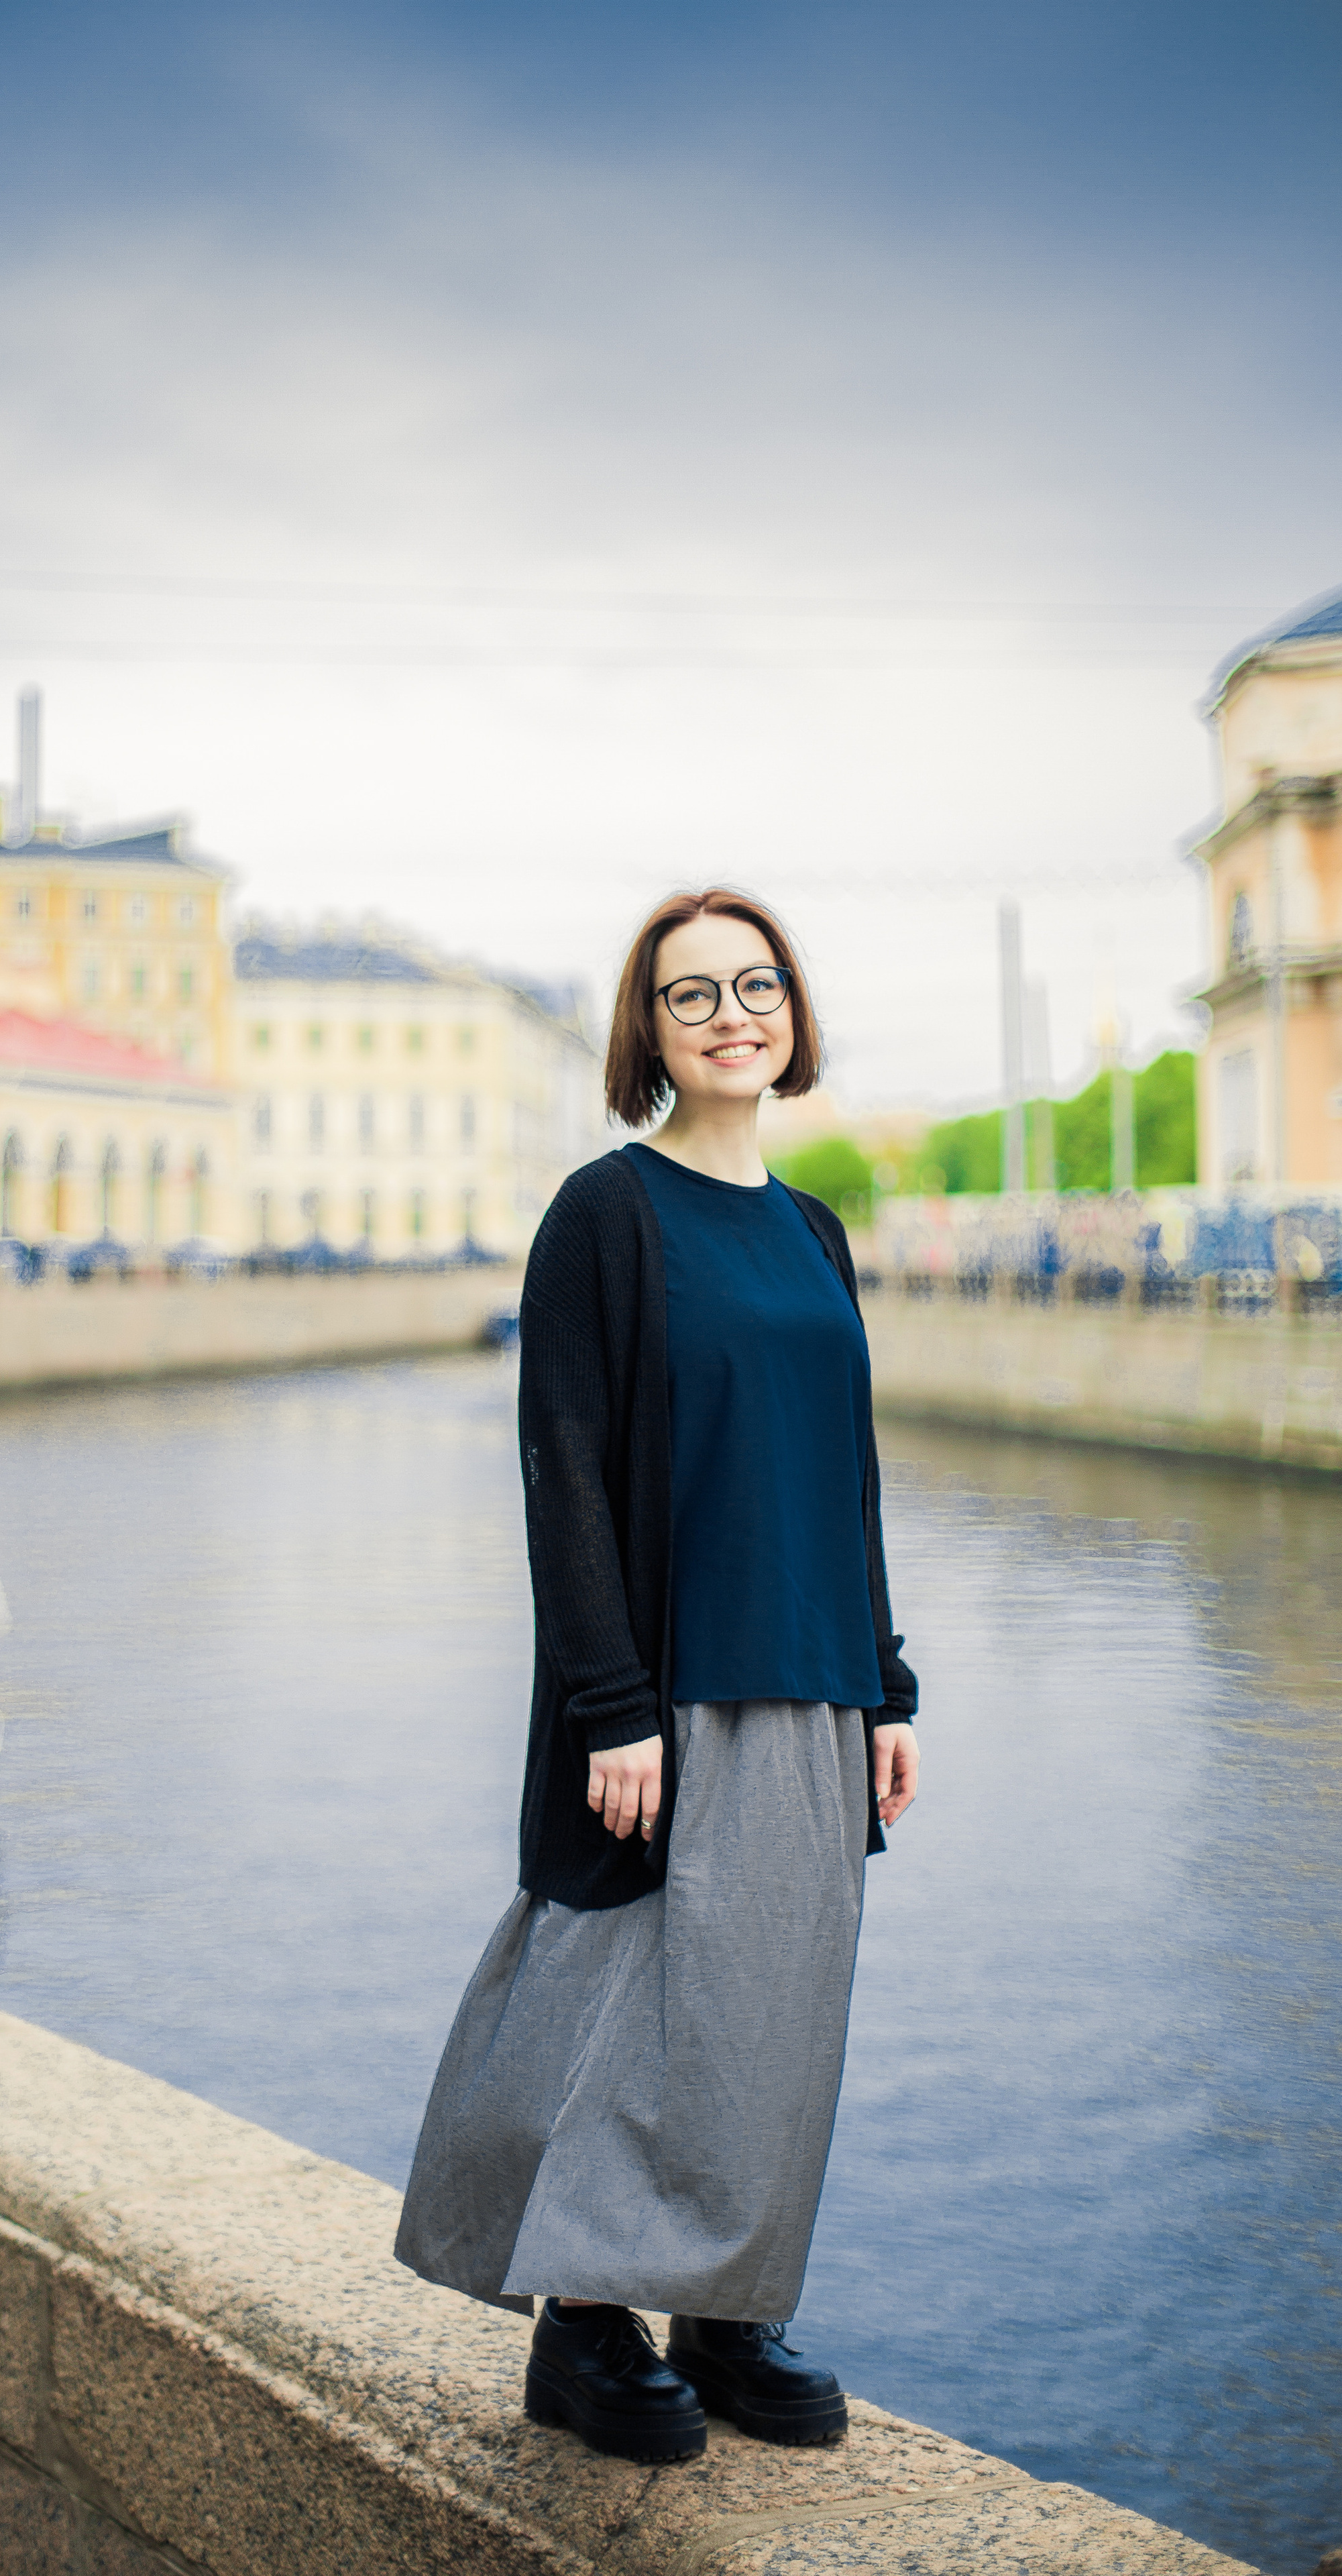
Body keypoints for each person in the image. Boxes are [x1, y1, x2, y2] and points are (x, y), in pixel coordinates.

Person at [394, 885, 919, 2465]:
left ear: (791, 1011)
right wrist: (610, 1708)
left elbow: (847, 1472)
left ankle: (724, 2316)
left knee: (772, 2009)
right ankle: (583, 2325)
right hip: (672, 1685)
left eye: (754, 985)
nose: (730, 1014)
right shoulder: (604, 1215)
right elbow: (564, 1472)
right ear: (650, 1033)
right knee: (627, 1989)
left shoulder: (811, 1226)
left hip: (815, 1673)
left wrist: (887, 1688)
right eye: (691, 996)